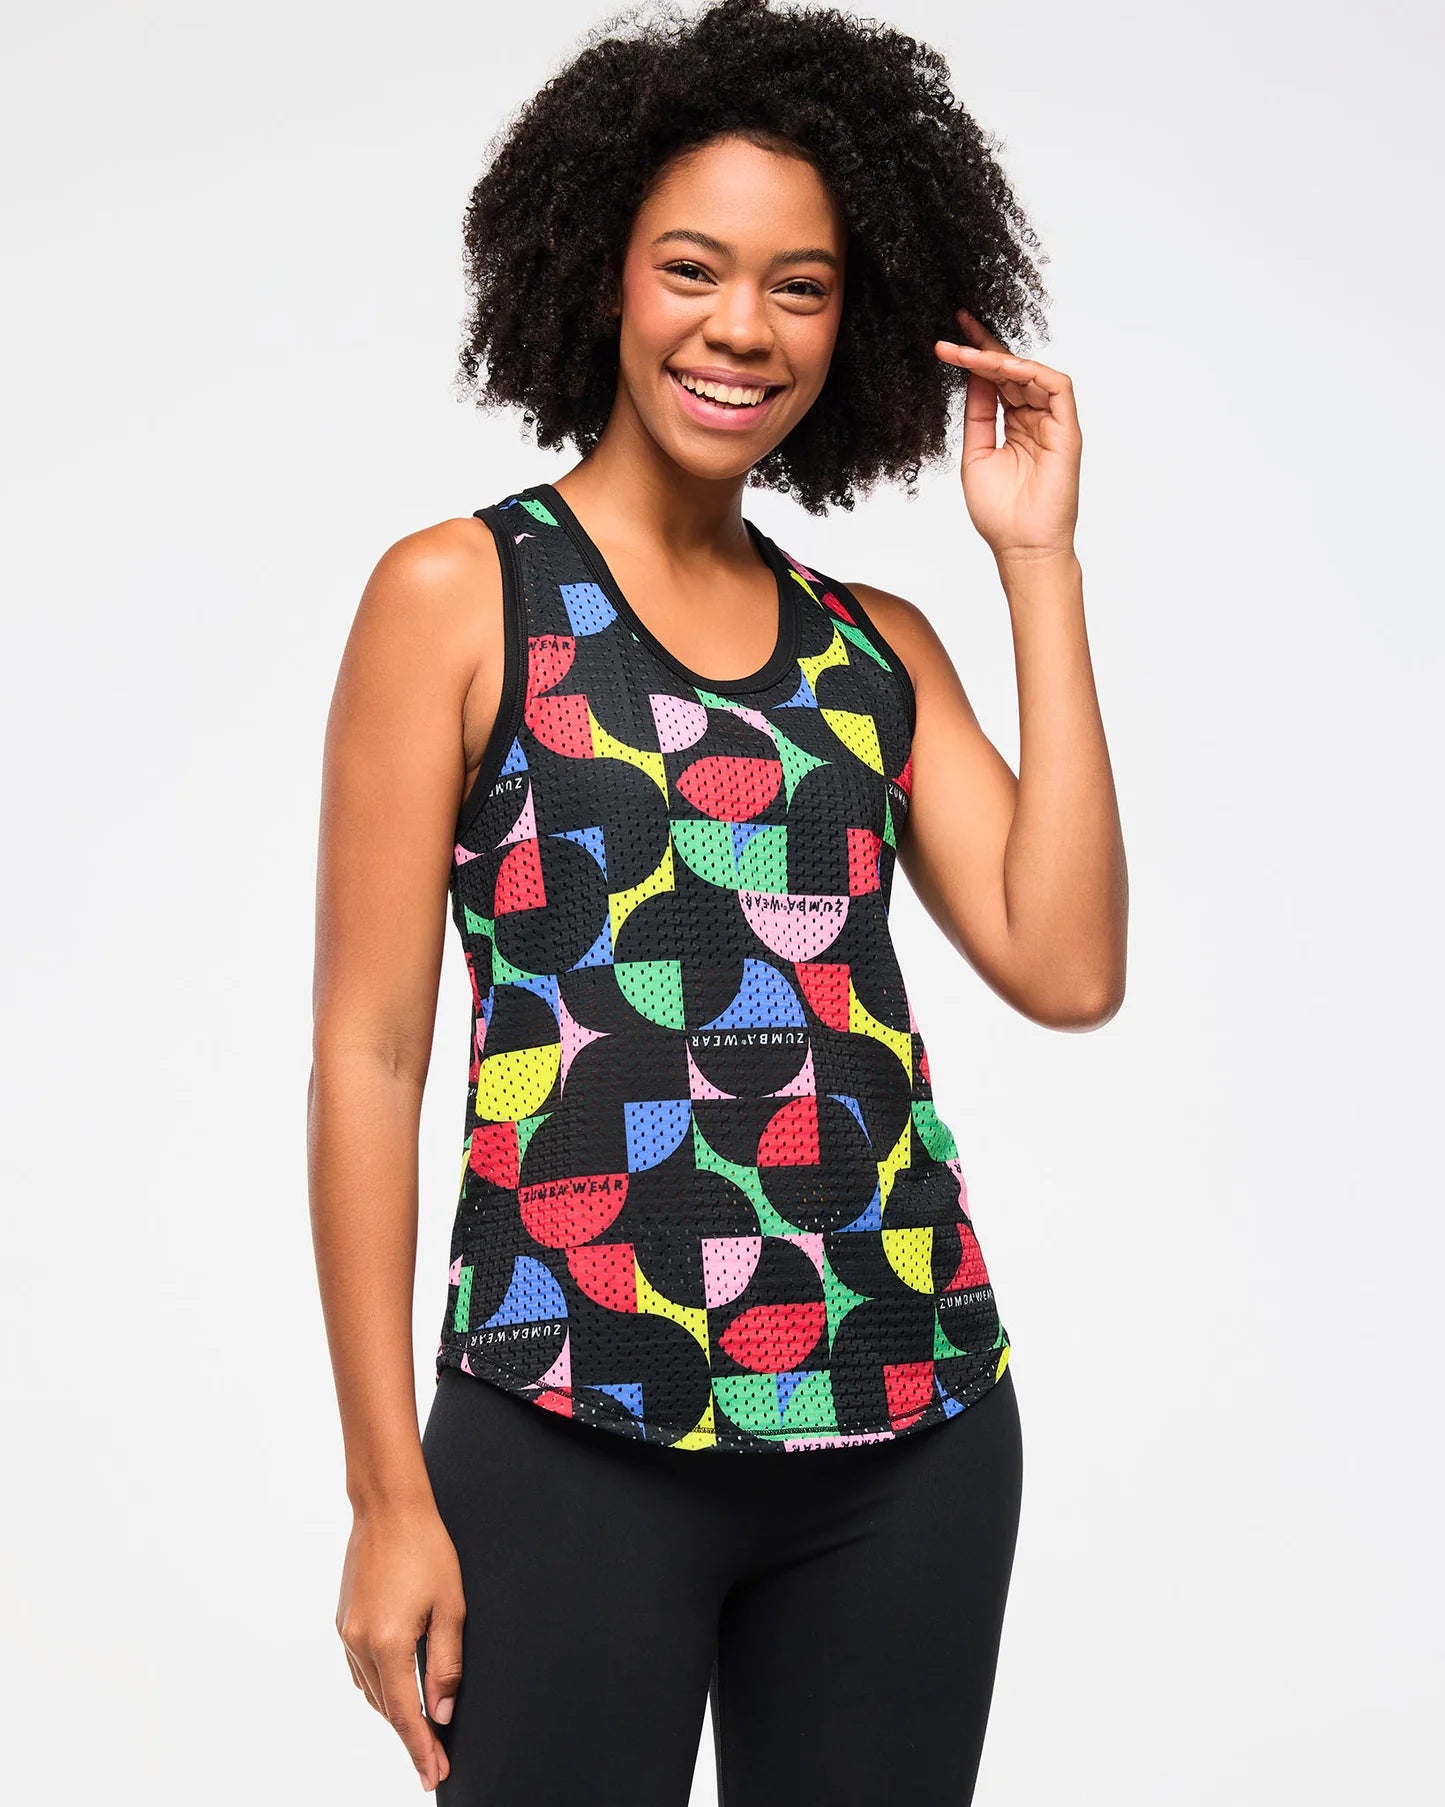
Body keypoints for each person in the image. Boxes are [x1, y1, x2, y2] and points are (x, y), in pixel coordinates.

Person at [307, 0, 1127, 1799]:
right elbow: (368, 1056)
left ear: (858, 318)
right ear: (600, 268)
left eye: (799, 287)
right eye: (692, 267)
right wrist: (385, 1492)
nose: (740, 327)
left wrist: (1036, 562)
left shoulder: (873, 648)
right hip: (566, 1423)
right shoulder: (462, 596)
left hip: (907, 1423)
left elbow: (1067, 966)